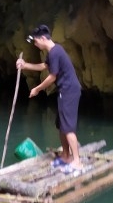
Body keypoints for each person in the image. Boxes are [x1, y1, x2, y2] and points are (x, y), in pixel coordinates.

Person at [16, 24, 83, 173]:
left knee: (68, 127)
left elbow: (52, 77)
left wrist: (37, 89)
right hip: (64, 91)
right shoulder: (53, 52)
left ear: (42, 38)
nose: (35, 44)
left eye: (35, 41)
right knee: (61, 125)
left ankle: (77, 162)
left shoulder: (55, 52)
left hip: (69, 91)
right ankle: (66, 156)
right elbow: (44, 66)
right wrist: (25, 65)